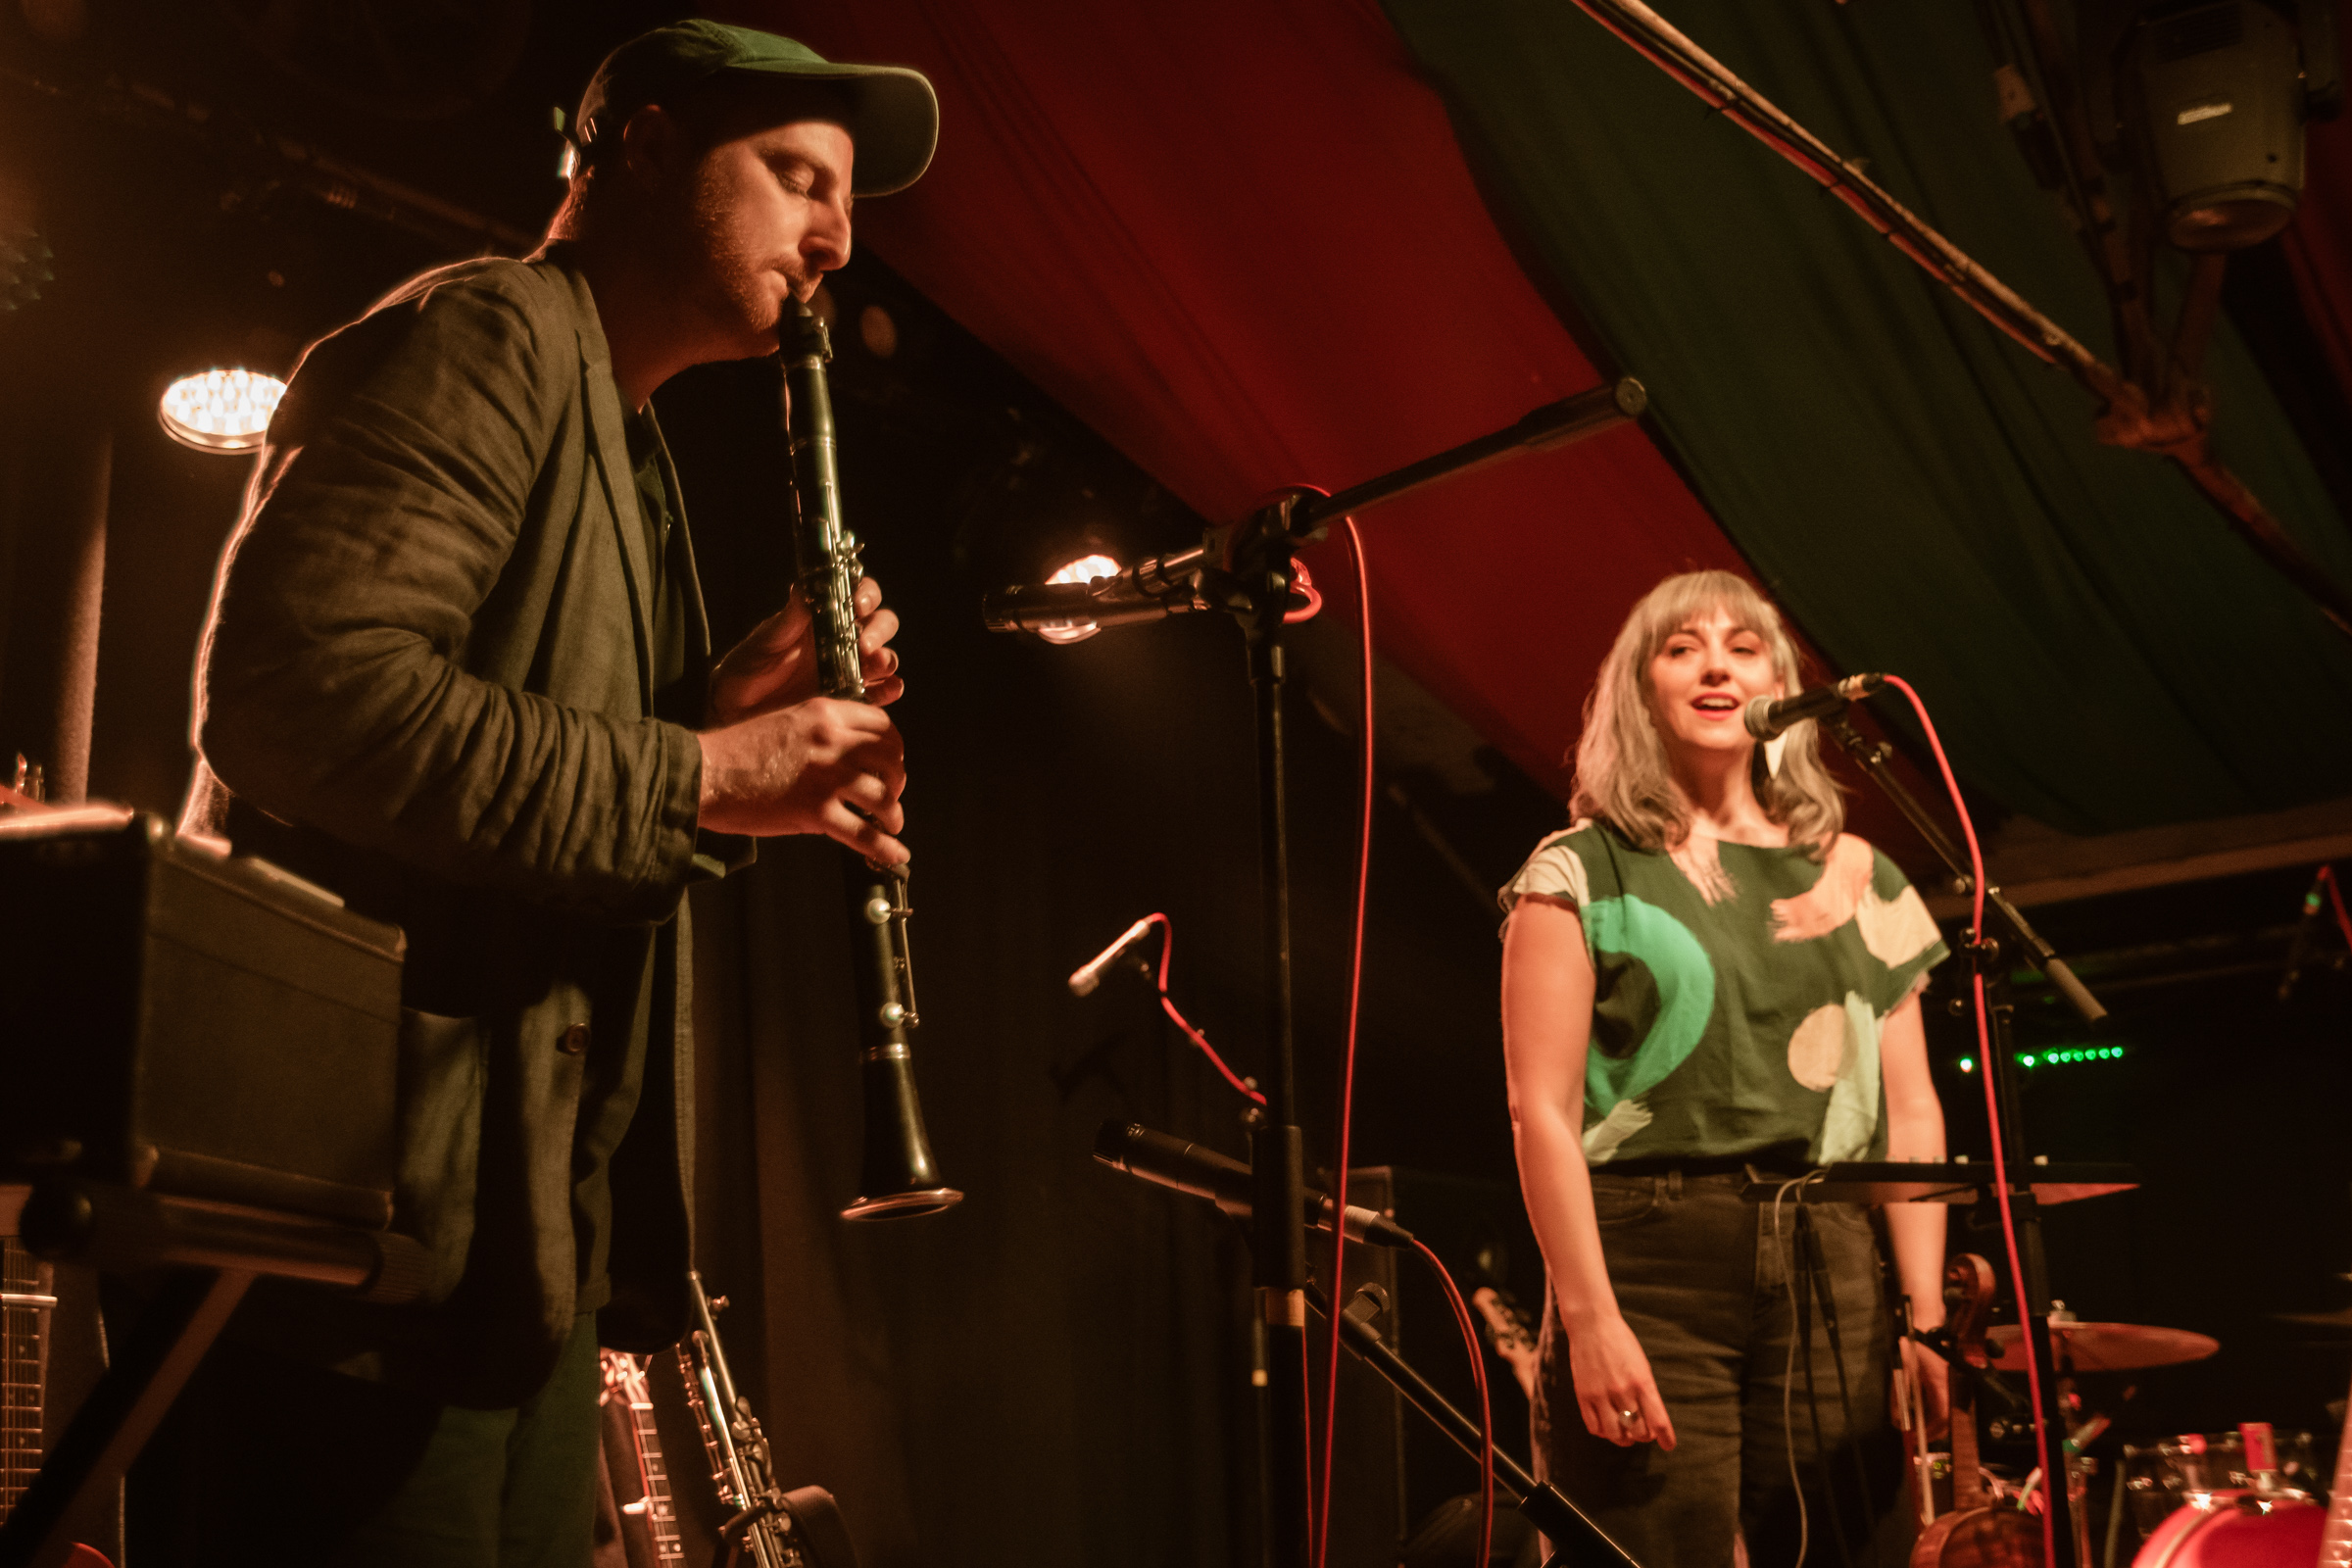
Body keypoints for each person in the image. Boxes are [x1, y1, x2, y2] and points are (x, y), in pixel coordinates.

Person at [145, 23, 939, 1565]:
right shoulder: (489, 337)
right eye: (797, 177)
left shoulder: (626, 447)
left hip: (499, 1263)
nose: (838, 237)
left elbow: (540, 802)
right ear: (641, 145)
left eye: (845, 202)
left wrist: (715, 746)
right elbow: (297, 698)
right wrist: (696, 771)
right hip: (348, 1254)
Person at [1497, 570, 1953, 1568]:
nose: (1715, 663)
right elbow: (1541, 1109)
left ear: (1781, 687)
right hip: (1649, 1257)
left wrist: (1925, 1316)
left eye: (1743, 646)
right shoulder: (1580, 869)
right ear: (1640, 686)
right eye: (1681, 646)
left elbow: (1911, 1109)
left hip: (1831, 1251)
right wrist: (1589, 1318)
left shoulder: (1859, 874)